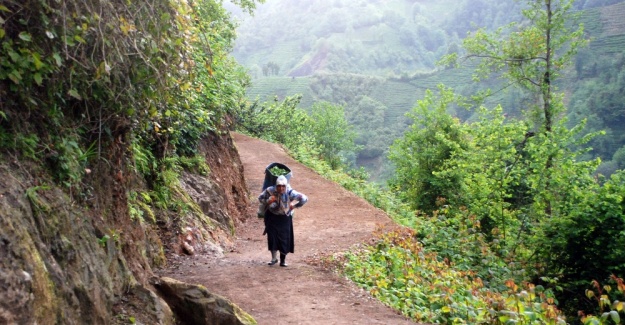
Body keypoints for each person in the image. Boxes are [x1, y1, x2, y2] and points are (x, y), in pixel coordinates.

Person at [258, 175, 308, 267]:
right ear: (276, 185)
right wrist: (268, 201)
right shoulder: (270, 190)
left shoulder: (290, 192)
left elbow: (304, 199)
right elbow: (260, 198)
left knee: (284, 238)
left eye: (283, 186)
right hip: (272, 217)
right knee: (272, 237)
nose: (281, 188)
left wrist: (295, 206)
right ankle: (273, 258)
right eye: (279, 186)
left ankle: (283, 260)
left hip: (285, 218)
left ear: (286, 186)